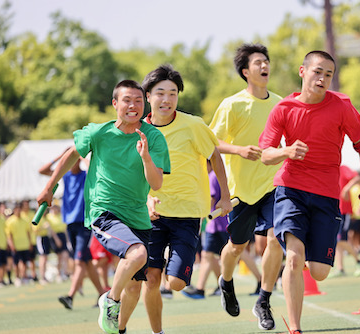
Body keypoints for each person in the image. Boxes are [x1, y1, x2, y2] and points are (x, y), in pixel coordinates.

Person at [259, 50, 360, 334]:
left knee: (319, 272)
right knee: (293, 256)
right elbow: (265, 154)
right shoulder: (284, 109)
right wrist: (287, 151)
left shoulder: (341, 106)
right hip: (291, 188)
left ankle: (299, 264)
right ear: (302, 71)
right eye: (317, 72)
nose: (323, 78)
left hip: (326, 193)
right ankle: (296, 327)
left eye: (328, 74)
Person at [37, 79, 170, 334]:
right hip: (104, 211)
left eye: (138, 101)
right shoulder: (98, 132)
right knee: (138, 254)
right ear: (115, 104)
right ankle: (109, 300)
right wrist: (49, 188)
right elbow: (72, 155)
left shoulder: (153, 137)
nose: (133, 106)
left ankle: (117, 329)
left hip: (138, 217)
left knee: (134, 286)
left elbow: (157, 183)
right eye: (127, 100)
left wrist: (145, 157)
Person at [117, 65, 232, 334]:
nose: (167, 100)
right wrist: (144, 201)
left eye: (172, 93)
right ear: (147, 96)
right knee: (151, 278)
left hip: (188, 214)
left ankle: (177, 270)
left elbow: (214, 155)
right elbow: (132, 176)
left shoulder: (193, 125)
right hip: (151, 217)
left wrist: (225, 197)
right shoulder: (137, 131)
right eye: (160, 93)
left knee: (177, 282)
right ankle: (148, 331)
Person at [209, 43, 283, 331]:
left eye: (266, 61)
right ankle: (225, 282)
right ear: (245, 71)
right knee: (237, 247)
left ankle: (263, 299)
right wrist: (238, 150)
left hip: (274, 185)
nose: (264, 66)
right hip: (241, 190)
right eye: (258, 63)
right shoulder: (232, 104)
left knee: (276, 238)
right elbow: (211, 142)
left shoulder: (280, 102)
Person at [39, 150, 106, 309]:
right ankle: (102, 295)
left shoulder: (85, 176)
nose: (72, 163)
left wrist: (81, 155)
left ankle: (70, 296)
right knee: (86, 262)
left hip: (84, 223)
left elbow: (94, 169)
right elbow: (42, 170)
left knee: (79, 261)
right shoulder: (66, 175)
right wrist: (62, 156)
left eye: (74, 160)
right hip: (70, 224)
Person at [182, 161, 230, 299]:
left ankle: (259, 279)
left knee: (236, 253)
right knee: (207, 255)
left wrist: (200, 216)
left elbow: (211, 198)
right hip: (214, 225)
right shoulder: (212, 175)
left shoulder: (213, 176)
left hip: (219, 223)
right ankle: (203, 288)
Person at [329, 165, 360, 277]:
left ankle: (359, 261)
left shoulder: (343, 168)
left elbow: (358, 177)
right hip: (334, 210)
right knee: (337, 241)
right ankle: (340, 269)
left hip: (345, 211)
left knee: (341, 239)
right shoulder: (327, 169)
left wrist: (346, 188)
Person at [5, 202, 33, 286]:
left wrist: (30, 243)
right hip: (16, 246)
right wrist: (11, 245)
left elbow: (28, 232)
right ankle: (17, 278)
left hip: (24, 244)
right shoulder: (10, 221)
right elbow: (9, 235)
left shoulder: (25, 220)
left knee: (24, 262)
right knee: (16, 263)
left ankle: (24, 276)